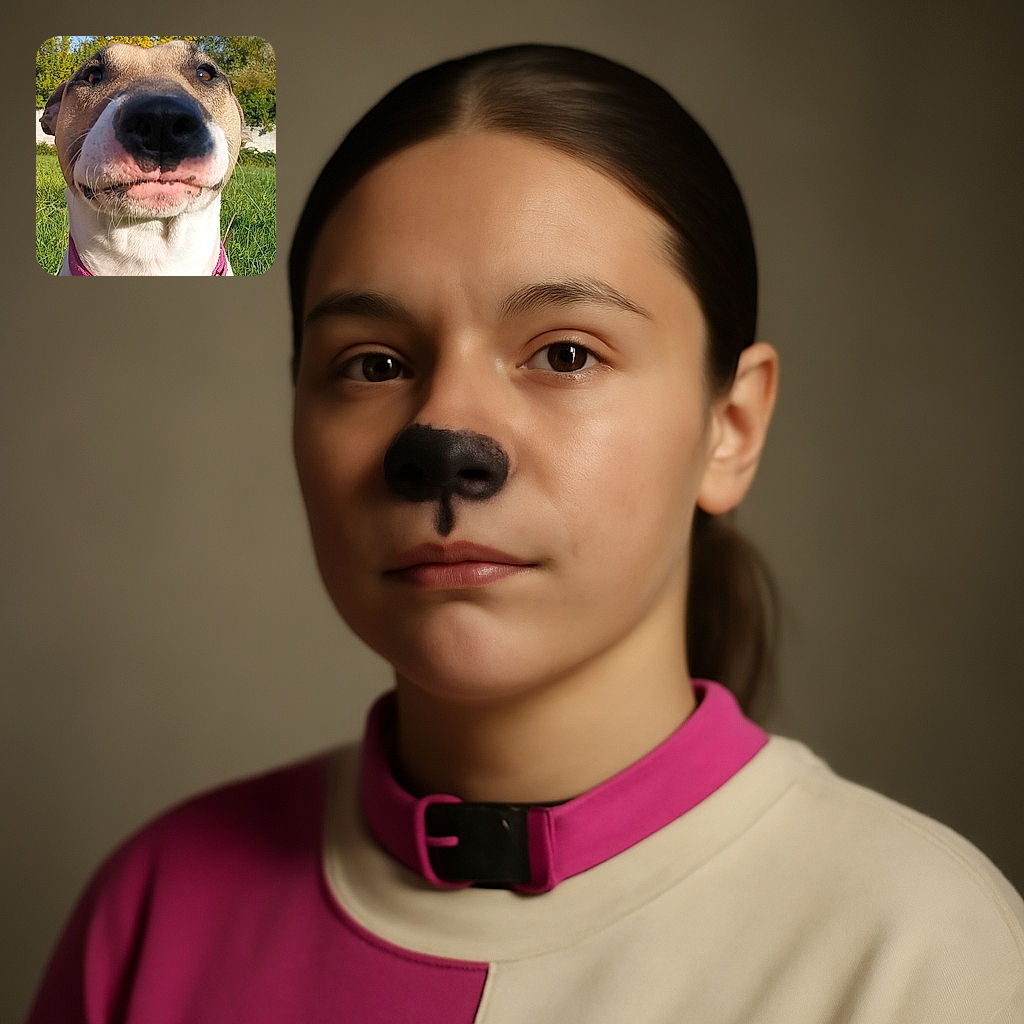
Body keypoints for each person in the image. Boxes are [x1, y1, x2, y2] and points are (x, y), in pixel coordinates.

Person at [27, 44, 1024, 1023]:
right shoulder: (154, 913)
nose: (444, 441)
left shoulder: (922, 956)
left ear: (731, 426)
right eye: (372, 364)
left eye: (563, 352)